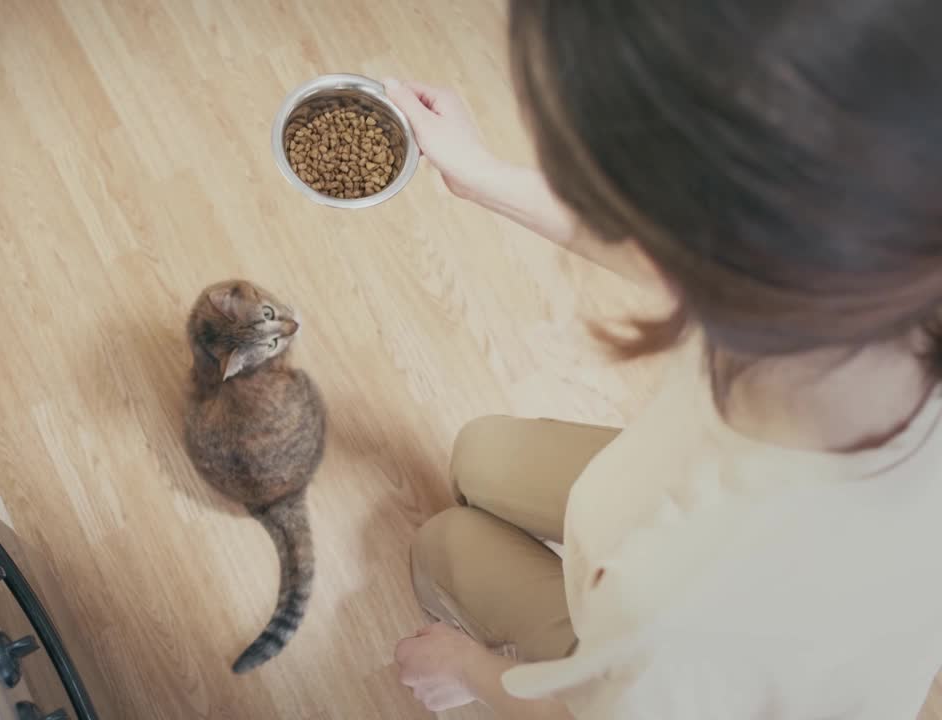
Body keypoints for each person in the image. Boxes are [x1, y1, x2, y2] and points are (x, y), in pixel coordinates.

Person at [385, 2, 942, 718]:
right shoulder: (876, 257)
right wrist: (483, 176)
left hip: (664, 664)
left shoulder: (686, 605)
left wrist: (467, 670)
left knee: (443, 546)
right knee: (479, 454)